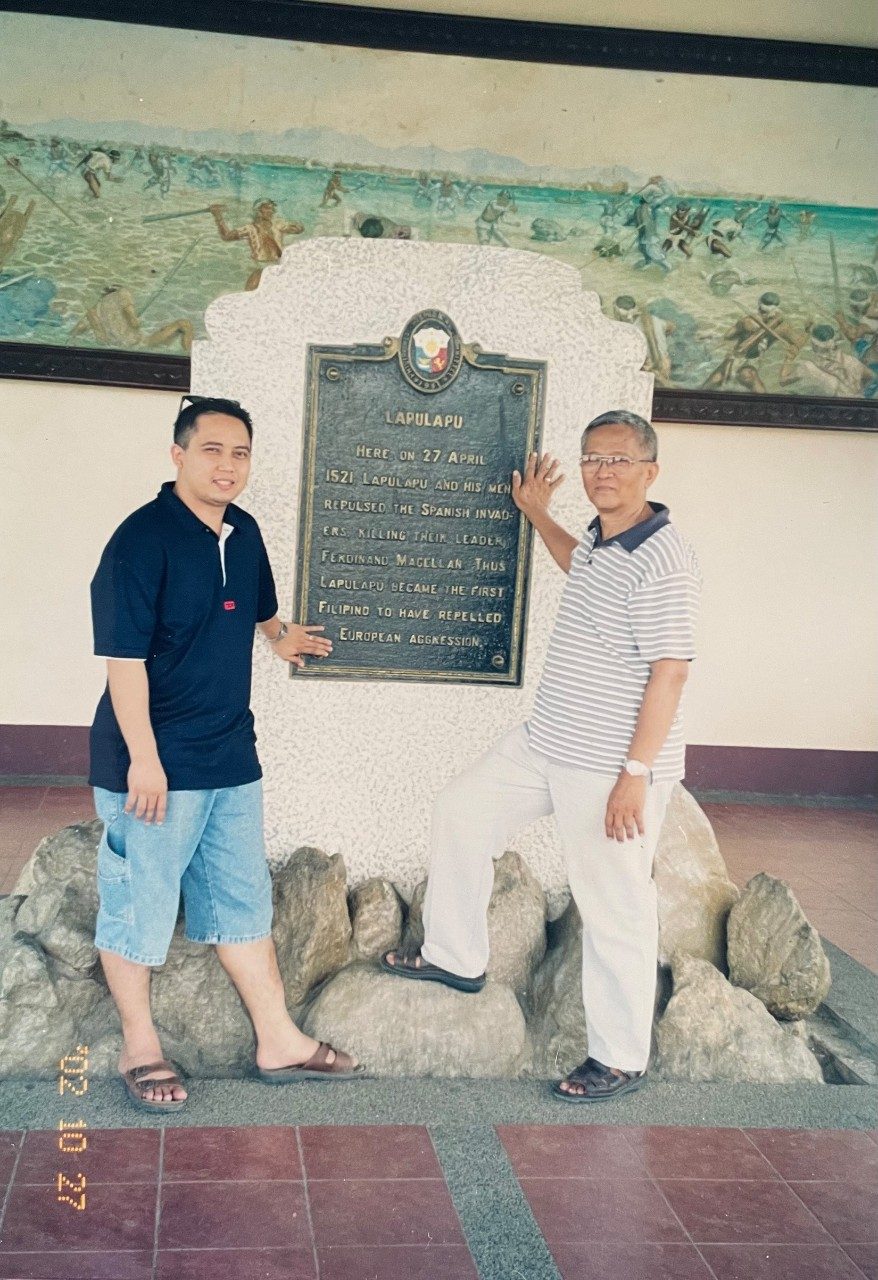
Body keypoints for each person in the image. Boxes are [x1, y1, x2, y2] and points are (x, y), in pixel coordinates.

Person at [383, 410, 700, 1103]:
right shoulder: (603, 536)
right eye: (592, 459)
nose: (603, 472)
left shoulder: (664, 559)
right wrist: (536, 512)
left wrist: (635, 778)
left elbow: (670, 674)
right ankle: (456, 956)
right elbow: (577, 564)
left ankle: (619, 1056)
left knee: (614, 903)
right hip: (548, 739)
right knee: (461, 811)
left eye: (618, 460)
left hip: (611, 764)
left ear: (650, 470)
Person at [89, 396, 363, 1112]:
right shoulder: (140, 541)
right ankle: (139, 1046)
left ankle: (279, 1041)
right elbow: (124, 663)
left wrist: (280, 637)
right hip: (156, 763)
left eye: (240, 452)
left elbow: (257, 604)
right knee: (139, 905)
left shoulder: (242, 533)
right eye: (212, 449)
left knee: (242, 905)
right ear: (178, 454)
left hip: (230, 757)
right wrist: (144, 760)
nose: (228, 465)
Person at [210, 198, 304, 291]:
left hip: (278, 267)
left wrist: (292, 223)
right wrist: (218, 217)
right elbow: (226, 236)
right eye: (267, 208)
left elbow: (299, 229)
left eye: (272, 208)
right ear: (258, 210)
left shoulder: (278, 225)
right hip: (260, 268)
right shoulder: (251, 229)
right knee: (251, 293)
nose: (271, 211)